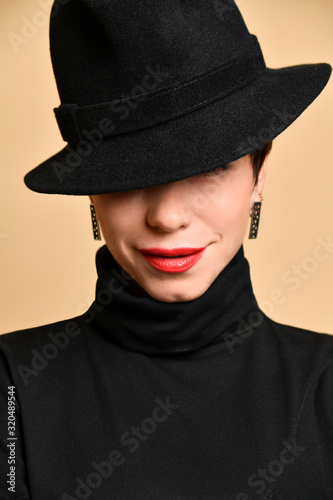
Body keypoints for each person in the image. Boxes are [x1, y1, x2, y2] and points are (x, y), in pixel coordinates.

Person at [1, 1, 332, 499]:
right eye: (129, 176)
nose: (167, 216)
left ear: (259, 171)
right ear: (92, 189)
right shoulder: (11, 388)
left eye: (211, 166)